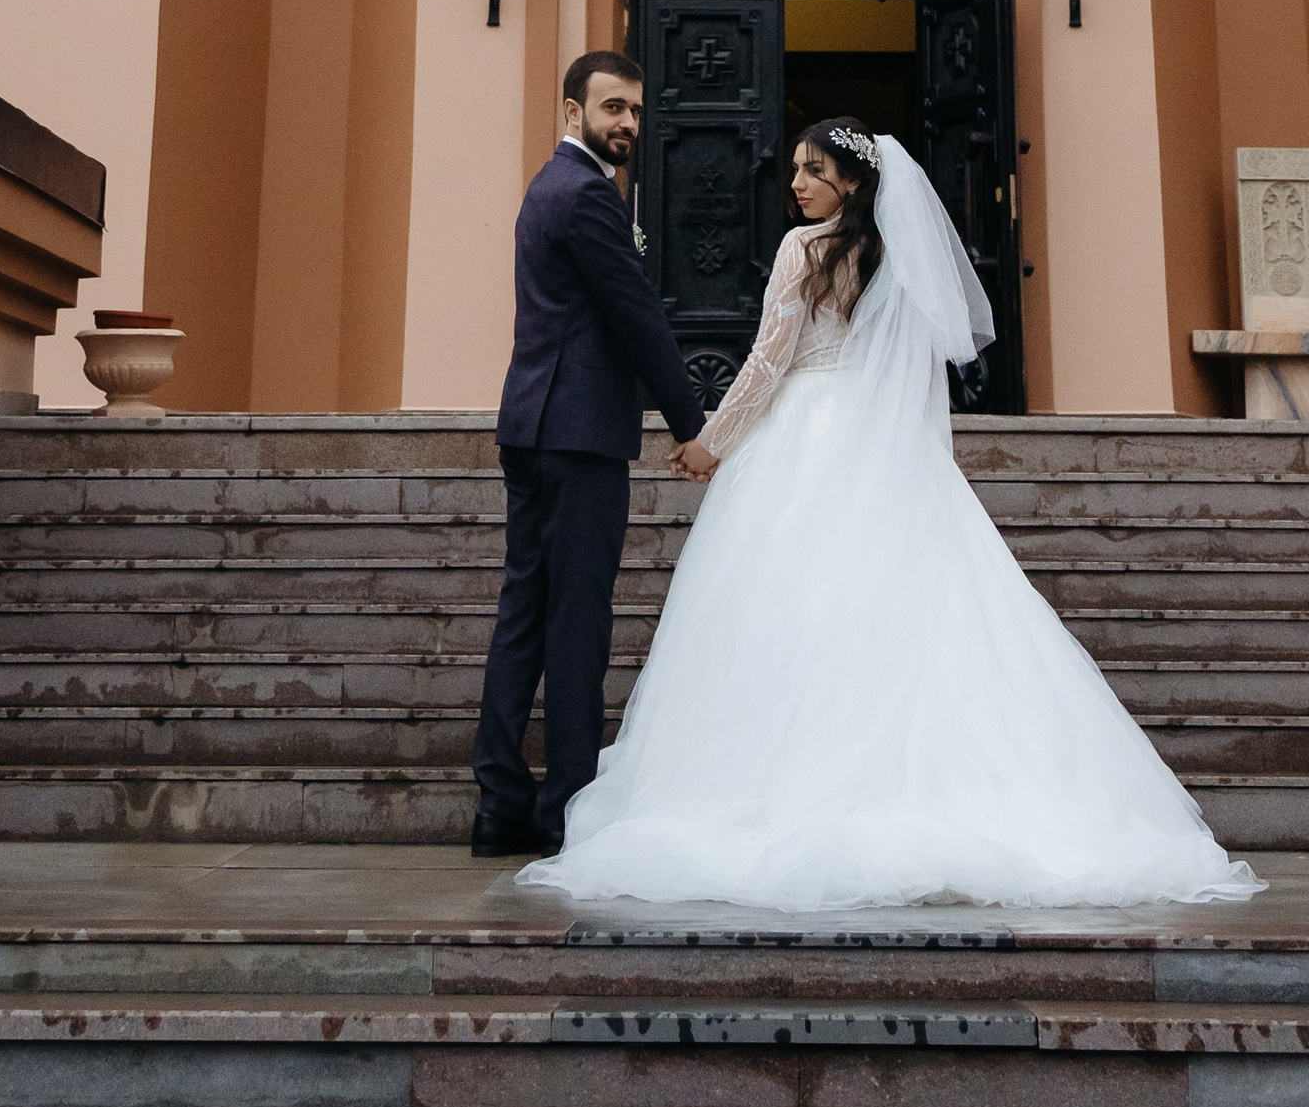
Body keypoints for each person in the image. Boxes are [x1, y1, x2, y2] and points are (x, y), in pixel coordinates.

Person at [523, 121, 1265, 909]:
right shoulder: (896, 260)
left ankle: (787, 782)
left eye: (817, 171)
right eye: (798, 170)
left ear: (852, 180)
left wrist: (712, 441)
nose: (799, 184)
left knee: (792, 613)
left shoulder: (801, 251)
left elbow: (770, 361)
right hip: (882, 450)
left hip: (804, 442)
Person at [471, 49, 709, 858]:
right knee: (576, 624)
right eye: (613, 109)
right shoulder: (585, 196)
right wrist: (690, 423)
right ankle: (565, 806)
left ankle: (499, 801)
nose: (628, 125)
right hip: (575, 435)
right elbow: (635, 313)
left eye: (636, 111)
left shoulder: (549, 187)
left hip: (534, 425)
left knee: (525, 616)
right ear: (572, 112)